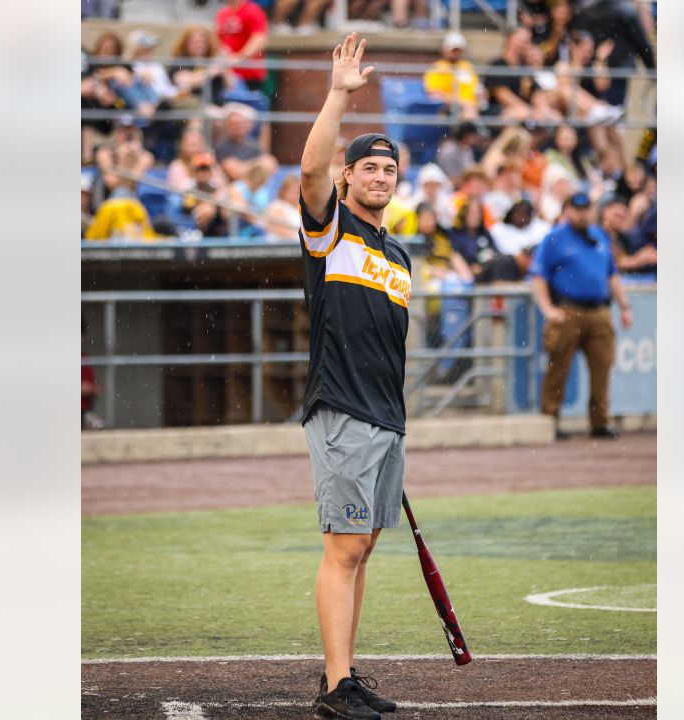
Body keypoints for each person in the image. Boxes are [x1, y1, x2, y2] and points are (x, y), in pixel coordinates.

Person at [299, 33, 410, 720]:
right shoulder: (331, 230)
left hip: (383, 417)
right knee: (343, 546)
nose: (379, 177)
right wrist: (339, 95)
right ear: (349, 179)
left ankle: (345, 673)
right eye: (368, 169)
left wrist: (393, 423)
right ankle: (337, 687)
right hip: (340, 407)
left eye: (389, 171)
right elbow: (311, 172)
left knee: (362, 548)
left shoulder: (397, 254)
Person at [528, 191, 633, 440]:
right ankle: (550, 421)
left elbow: (612, 274)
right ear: (567, 211)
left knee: (602, 367)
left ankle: (599, 422)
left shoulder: (599, 236)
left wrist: (625, 306)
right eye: (577, 209)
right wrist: (548, 309)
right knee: (558, 366)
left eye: (586, 208)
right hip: (568, 310)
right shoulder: (554, 238)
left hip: (599, 310)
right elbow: (538, 276)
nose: (582, 213)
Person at [423, 32, 485, 121]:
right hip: (448, 108)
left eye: (458, 50)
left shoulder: (467, 67)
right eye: (453, 50)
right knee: (469, 115)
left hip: (471, 107)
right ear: (445, 50)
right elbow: (434, 93)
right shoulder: (436, 68)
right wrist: (460, 102)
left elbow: (477, 89)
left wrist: (479, 99)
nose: (455, 53)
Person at [216, 0, 270, 91]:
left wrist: (240, 57)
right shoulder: (222, 12)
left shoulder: (252, 10)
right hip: (226, 74)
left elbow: (260, 39)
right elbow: (217, 40)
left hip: (249, 74)